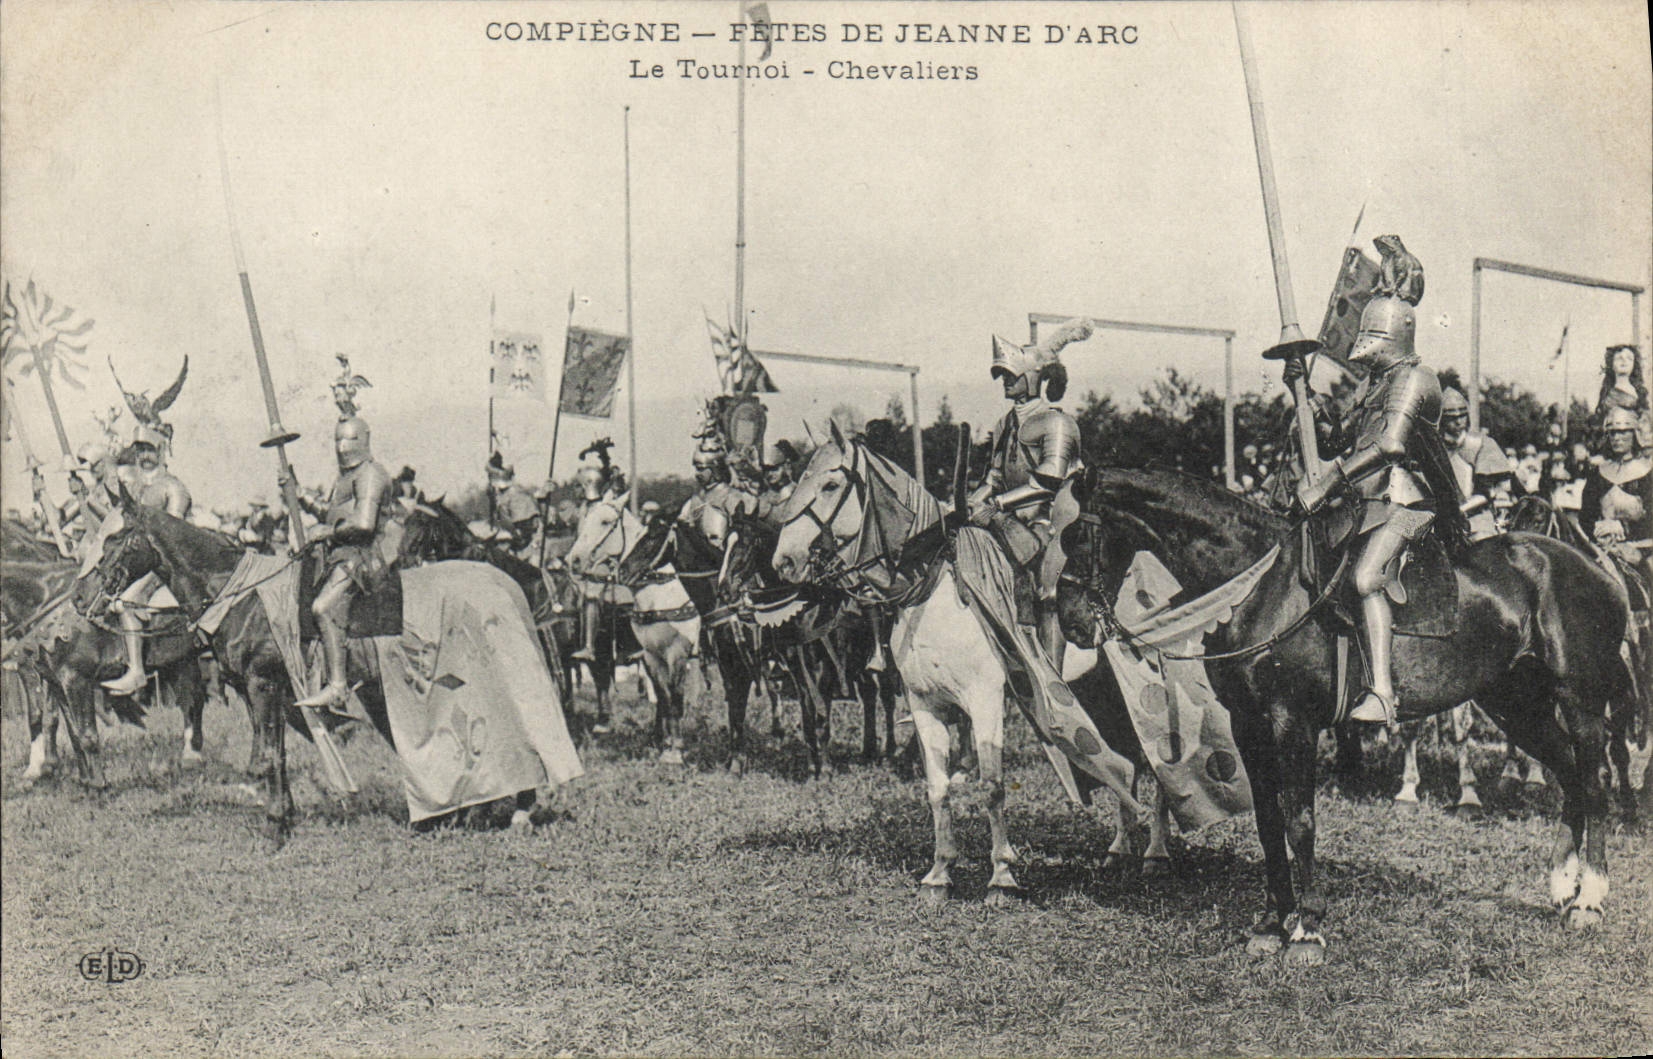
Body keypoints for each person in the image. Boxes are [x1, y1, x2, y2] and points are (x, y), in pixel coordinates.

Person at [1296, 293, 1463, 725]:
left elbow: (1389, 444)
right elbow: (1339, 439)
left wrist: (1328, 483)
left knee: (1367, 577)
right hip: (1369, 501)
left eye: (1373, 332)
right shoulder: (1374, 384)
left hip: (1410, 499)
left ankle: (1384, 693)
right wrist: (1304, 394)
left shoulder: (1415, 378)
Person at [968, 330, 1084, 671]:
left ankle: (1052, 674)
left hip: (1058, 518)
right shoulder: (1004, 424)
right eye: (1002, 376)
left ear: (1032, 378)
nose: (1004, 381)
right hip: (1013, 516)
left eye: (1010, 376)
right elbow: (994, 476)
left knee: (1049, 590)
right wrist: (968, 506)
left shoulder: (1058, 422)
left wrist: (1000, 506)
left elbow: (1049, 481)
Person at [293, 411, 398, 713]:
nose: (342, 446)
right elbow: (332, 512)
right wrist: (300, 496)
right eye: (337, 439)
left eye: (349, 439)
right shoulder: (345, 478)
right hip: (342, 554)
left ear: (363, 439)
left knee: (323, 608)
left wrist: (327, 531)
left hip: (365, 556)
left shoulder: (370, 473)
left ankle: (338, 687)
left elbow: (364, 524)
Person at [101, 438, 194, 695]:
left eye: (149, 449)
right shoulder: (141, 490)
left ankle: (136, 671)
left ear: (160, 450)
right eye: (140, 450)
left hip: (171, 561)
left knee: (129, 601)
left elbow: (174, 534)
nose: (144, 455)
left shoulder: (173, 486)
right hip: (146, 560)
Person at [1580, 404, 1651, 566]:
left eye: (1623, 432)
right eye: (1612, 433)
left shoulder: (1648, 473)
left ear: (1634, 434)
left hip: (1642, 547)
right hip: (1602, 548)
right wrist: (1596, 528)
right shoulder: (1598, 472)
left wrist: (1623, 527)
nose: (1617, 438)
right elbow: (1585, 515)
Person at [1439, 386, 1514, 539]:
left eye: (1462, 416)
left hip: (1477, 520)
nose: (1458, 421)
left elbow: (1489, 491)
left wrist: (1459, 510)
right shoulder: (1435, 447)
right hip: (1439, 520)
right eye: (1451, 418)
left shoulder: (1482, 444)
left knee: (1484, 551)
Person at [486, 453, 541, 558]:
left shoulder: (515, 493)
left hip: (525, 547)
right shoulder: (500, 495)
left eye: (491, 476)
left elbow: (523, 529)